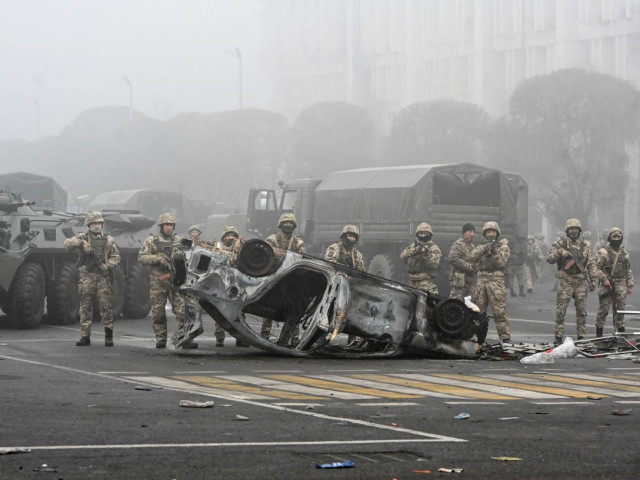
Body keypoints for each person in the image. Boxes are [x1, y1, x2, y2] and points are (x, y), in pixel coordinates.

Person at [138, 213, 196, 349]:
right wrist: (157, 259)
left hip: (176, 281)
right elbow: (141, 257)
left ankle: (185, 338)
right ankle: (161, 338)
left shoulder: (179, 240)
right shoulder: (152, 240)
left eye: (171, 225)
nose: (169, 228)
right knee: (158, 312)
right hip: (158, 281)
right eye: (166, 225)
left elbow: (191, 255)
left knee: (182, 311)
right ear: (161, 226)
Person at [64, 211, 120, 347]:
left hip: (102, 276)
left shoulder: (108, 239)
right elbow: (67, 244)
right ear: (89, 224)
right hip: (87, 276)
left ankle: (108, 336)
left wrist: (107, 266)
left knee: (106, 306)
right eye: (94, 223)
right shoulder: (82, 237)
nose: (97, 226)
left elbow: (116, 256)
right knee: (85, 306)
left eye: (99, 223)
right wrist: (81, 243)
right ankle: (85, 336)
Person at [546, 218, 603, 345]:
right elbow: (549, 259)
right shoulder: (560, 244)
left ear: (579, 231)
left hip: (580, 281)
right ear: (567, 230)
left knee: (581, 311)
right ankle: (558, 336)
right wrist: (560, 253)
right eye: (571, 229)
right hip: (565, 280)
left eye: (576, 229)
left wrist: (593, 280)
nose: (573, 231)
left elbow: (591, 264)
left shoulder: (585, 246)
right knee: (561, 310)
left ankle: (581, 336)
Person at [261, 213, 306, 343]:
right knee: (268, 308)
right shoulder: (272, 239)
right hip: (274, 278)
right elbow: (265, 257)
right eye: (285, 223)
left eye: (290, 223)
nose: (288, 225)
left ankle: (294, 338)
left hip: (292, 281)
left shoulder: (299, 242)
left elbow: (303, 260)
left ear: (294, 226)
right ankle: (265, 335)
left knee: (294, 308)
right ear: (281, 225)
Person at [471, 221, 512, 343]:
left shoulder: (503, 247)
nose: (490, 234)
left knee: (499, 311)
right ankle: (478, 339)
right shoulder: (480, 246)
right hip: (481, 280)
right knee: (478, 312)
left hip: (496, 280)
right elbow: (472, 257)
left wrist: (494, 252)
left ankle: (505, 339)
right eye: (488, 232)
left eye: (492, 231)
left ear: (497, 233)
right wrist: (484, 248)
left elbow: (501, 263)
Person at [325, 224, 365, 346]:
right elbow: (329, 264)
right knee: (330, 312)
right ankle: (324, 337)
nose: (351, 239)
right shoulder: (334, 248)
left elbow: (361, 271)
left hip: (349, 287)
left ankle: (352, 339)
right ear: (344, 236)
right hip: (334, 286)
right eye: (349, 236)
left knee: (352, 313)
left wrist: (354, 272)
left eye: (353, 237)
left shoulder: (357, 254)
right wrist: (343, 271)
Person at [595, 227, 634, 336]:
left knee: (620, 311)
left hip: (621, 284)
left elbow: (628, 269)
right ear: (609, 238)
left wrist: (630, 285)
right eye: (614, 237)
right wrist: (604, 279)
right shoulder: (603, 252)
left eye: (618, 237)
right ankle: (599, 336)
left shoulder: (624, 253)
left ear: (621, 238)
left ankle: (621, 336)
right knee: (603, 310)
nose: (616, 239)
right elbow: (595, 268)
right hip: (607, 285)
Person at [400, 222, 441, 294]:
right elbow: (403, 256)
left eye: (424, 234)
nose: (422, 236)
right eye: (420, 234)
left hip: (425, 284)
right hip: (412, 283)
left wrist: (426, 255)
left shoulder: (434, 248)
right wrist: (416, 249)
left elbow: (434, 265)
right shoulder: (414, 246)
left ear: (429, 235)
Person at [447, 223, 477, 301]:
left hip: (470, 280)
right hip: (459, 278)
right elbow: (452, 258)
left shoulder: (472, 246)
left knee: (470, 304)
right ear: (464, 232)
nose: (472, 234)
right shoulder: (458, 245)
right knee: (456, 303)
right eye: (470, 232)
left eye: (473, 232)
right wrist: (468, 266)